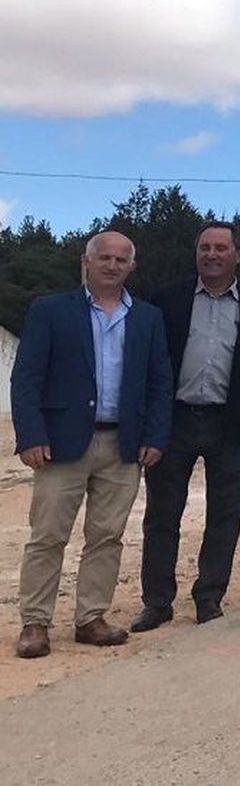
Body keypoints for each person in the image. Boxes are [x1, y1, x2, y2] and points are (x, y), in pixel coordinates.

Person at [11, 231, 171, 658]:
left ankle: (91, 618)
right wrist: (31, 435)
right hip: (61, 444)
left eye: (121, 260)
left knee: (107, 536)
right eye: (104, 257)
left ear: (131, 266)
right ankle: (35, 622)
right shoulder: (50, 311)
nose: (112, 265)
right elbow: (26, 378)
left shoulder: (148, 318)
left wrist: (155, 435)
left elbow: (159, 382)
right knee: (47, 536)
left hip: (123, 444)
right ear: (86, 260)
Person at [134, 222, 240, 633]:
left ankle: (209, 597)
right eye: (205, 248)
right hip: (173, 422)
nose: (211, 255)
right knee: (162, 516)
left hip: (230, 425)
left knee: (225, 515)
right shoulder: (167, 300)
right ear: (196, 253)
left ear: (238, 255)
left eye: (220, 248)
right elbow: (151, 362)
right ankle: (157, 603)